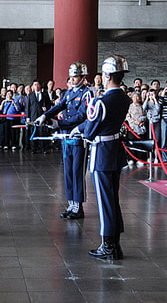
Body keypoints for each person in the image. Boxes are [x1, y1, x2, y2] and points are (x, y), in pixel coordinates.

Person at [71, 55, 131, 260]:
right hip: (115, 151)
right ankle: (115, 244)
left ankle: (107, 245)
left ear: (107, 75)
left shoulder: (102, 101)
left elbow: (90, 132)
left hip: (102, 153)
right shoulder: (124, 97)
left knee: (105, 201)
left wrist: (81, 129)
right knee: (113, 199)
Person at [35, 62, 92, 220]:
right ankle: (71, 203)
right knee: (67, 172)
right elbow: (59, 106)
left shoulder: (86, 94)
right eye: (72, 77)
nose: (73, 79)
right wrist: (45, 116)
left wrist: (59, 123)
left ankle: (78, 206)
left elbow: (82, 116)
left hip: (78, 137)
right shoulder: (68, 93)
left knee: (77, 172)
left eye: (76, 76)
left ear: (83, 77)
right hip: (66, 136)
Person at [26, 79, 51, 153]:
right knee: (34, 132)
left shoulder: (45, 95)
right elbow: (28, 107)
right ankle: (33, 148)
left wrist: (46, 109)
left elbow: (49, 105)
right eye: (35, 85)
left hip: (42, 116)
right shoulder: (30, 95)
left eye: (37, 84)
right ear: (33, 86)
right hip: (33, 116)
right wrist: (28, 118)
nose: (36, 86)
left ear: (40, 85)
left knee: (42, 132)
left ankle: (43, 148)